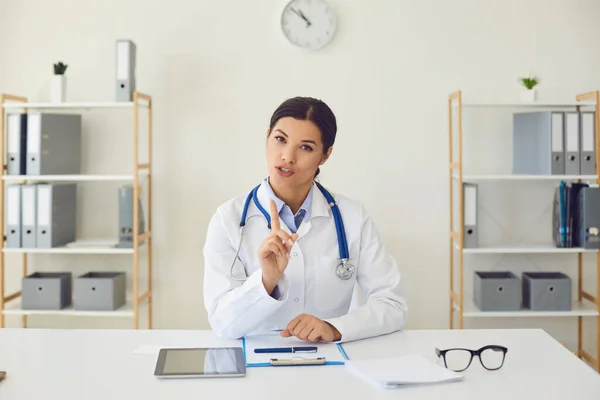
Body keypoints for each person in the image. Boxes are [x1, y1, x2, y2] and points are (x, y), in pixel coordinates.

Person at [203, 96, 407, 343]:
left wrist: (335, 328)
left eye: (306, 147)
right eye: (280, 139)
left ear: (325, 155)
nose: (287, 157)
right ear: (267, 136)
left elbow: (392, 305)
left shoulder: (353, 217)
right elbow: (222, 324)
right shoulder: (228, 219)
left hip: (329, 362)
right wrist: (267, 280)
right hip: (257, 367)